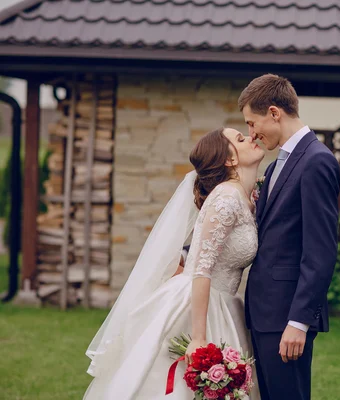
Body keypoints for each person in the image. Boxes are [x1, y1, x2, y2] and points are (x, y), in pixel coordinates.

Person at [84, 127, 264, 399]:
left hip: (227, 304)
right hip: (198, 305)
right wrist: (199, 339)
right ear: (229, 160)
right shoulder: (226, 198)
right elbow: (202, 269)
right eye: (240, 138)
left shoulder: (244, 198)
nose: (251, 137)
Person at [240, 74, 340, 400]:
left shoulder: (316, 161)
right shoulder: (274, 167)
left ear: (274, 112)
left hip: (286, 317)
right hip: (264, 314)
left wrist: (299, 321)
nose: (251, 133)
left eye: (252, 123)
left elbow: (320, 251)